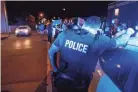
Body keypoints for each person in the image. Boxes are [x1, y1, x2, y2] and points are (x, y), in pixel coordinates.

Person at [48, 16, 134, 92]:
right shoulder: (98, 40)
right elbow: (120, 42)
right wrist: (129, 32)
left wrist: (55, 69)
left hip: (61, 80)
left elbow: (51, 51)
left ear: (85, 24)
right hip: (79, 85)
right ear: (97, 28)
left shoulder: (65, 34)